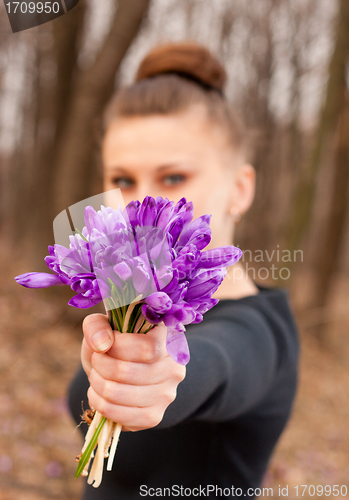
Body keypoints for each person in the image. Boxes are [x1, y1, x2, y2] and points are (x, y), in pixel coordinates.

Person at [68, 41, 299, 499]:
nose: (142, 204)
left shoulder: (259, 331)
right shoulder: (128, 299)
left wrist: (156, 376)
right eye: (122, 180)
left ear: (241, 188)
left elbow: (216, 366)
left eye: (174, 178)